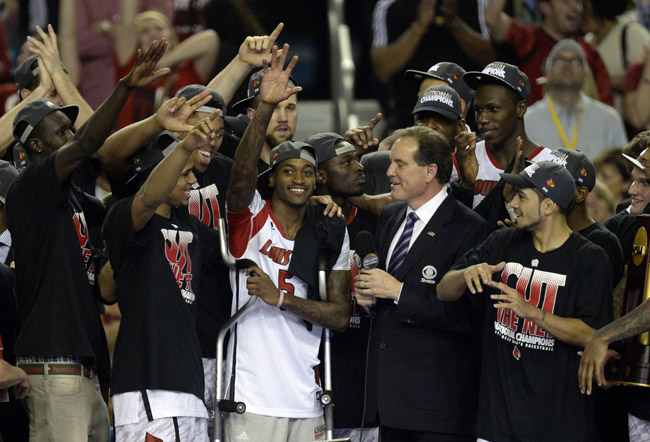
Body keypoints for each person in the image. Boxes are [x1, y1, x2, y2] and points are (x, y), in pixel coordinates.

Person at [6, 39, 170, 442]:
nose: (70, 135)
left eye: (70, 128)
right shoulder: (29, 190)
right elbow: (87, 146)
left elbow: (105, 288)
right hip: (53, 369)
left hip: (88, 370)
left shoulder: (83, 204)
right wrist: (126, 86)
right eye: (59, 131)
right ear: (34, 146)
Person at [224, 46, 351, 441]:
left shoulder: (331, 227)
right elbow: (240, 180)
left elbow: (341, 316)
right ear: (272, 178)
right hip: (250, 397)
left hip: (308, 398)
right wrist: (264, 108)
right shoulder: (250, 218)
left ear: (317, 181)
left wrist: (282, 298)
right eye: (288, 171)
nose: (298, 179)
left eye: (307, 172)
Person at [437, 160, 612, 442]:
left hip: (558, 425)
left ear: (548, 206)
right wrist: (466, 274)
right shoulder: (502, 241)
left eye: (522, 196)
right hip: (496, 423)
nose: (513, 203)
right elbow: (443, 290)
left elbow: (593, 334)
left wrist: (530, 312)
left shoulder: (589, 259)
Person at [353, 125, 488, 441]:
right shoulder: (391, 216)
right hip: (388, 402)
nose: (389, 172)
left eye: (400, 164)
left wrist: (397, 291)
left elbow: (467, 317)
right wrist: (371, 298)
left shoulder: (469, 229)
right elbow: (386, 301)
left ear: (430, 171)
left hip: (437, 409)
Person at [103, 117, 221, 442]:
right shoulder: (124, 217)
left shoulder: (193, 228)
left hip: (188, 385)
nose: (193, 180)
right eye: (184, 173)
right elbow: (146, 200)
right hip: (148, 384)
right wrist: (184, 146)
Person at [308, 131, 379, 437]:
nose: (359, 167)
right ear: (320, 175)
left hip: (364, 369)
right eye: (347, 162)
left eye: (357, 160)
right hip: (318, 363)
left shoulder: (374, 223)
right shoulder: (304, 225)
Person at [370, 0, 492, 133]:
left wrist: (455, 23)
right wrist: (419, 27)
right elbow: (382, 70)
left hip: (469, 122)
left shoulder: (476, 2)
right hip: (407, 121)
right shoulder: (391, 4)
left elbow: (489, 58)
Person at [453, 62, 554, 217]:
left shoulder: (550, 165)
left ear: (520, 109)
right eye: (478, 110)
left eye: (493, 109)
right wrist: (466, 187)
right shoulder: (462, 159)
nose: (483, 119)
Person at [484, 0, 613, 106]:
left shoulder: (590, 53)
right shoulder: (527, 39)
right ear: (544, 6)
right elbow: (491, 18)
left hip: (580, 133)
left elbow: (605, 106)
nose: (575, 8)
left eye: (579, 3)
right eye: (566, 2)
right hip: (533, 133)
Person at [525, 40, 628, 159]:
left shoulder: (609, 119)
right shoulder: (527, 121)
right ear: (546, 74)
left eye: (575, 62)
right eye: (559, 61)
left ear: (586, 76)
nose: (567, 65)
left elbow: (623, 170)